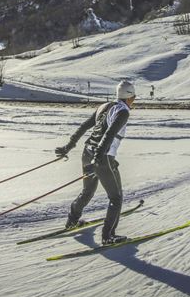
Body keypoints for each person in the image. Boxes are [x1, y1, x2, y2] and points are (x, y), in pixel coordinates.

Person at [55, 80, 135, 245]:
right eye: (133, 97)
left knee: (87, 192)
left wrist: (68, 146)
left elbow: (84, 127)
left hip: (87, 152)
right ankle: (108, 236)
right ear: (129, 97)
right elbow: (110, 134)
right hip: (102, 157)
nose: (134, 100)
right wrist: (98, 158)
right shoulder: (123, 112)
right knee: (116, 197)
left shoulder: (104, 107)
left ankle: (72, 222)